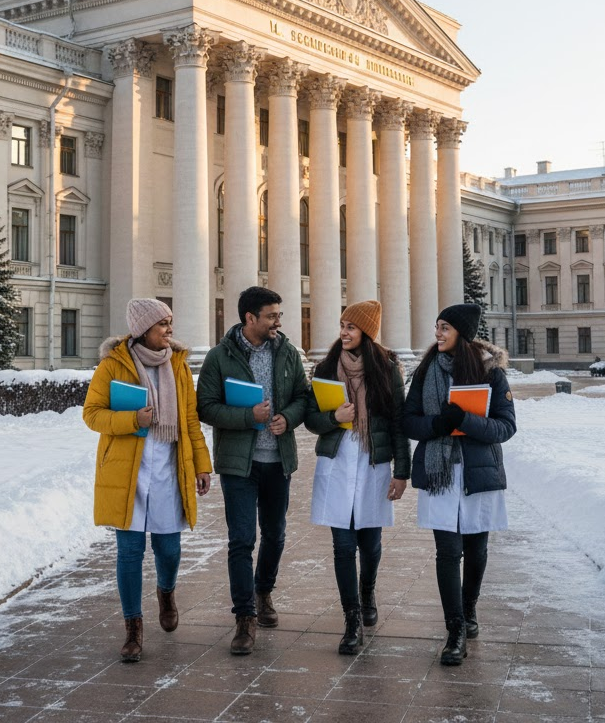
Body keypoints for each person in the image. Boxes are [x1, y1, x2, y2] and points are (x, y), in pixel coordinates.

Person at [82, 298, 212, 663]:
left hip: (170, 468)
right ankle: (133, 628)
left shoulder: (179, 367)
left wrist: (202, 465)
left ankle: (166, 591)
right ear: (142, 330)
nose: (170, 330)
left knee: (169, 549)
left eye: (170, 322)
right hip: (128, 472)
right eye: (162, 324)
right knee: (129, 552)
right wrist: (131, 420)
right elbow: (91, 415)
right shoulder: (112, 367)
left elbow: (189, 422)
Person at [197, 286, 310, 655]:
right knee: (242, 539)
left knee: (275, 534)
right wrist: (249, 417)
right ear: (250, 319)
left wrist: (287, 418)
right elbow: (207, 408)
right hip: (238, 465)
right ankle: (244, 618)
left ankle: (264, 592)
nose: (279, 321)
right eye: (272, 315)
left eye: (279, 314)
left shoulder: (288, 352)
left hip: (279, 461)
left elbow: (302, 398)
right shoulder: (219, 357)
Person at [402, 303, 516, 667]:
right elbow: (408, 421)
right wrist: (437, 426)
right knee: (448, 552)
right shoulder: (426, 370)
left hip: (478, 473)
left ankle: (469, 611)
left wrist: (466, 420)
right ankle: (454, 631)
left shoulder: (490, 373)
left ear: (462, 334)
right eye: (437, 326)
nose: (437, 333)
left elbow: (505, 427)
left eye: (445, 327)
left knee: (477, 549)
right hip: (440, 474)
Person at [304, 300, 410, 654]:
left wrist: (402, 472)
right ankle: (351, 618)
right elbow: (311, 419)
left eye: (351, 327)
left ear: (366, 331)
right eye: (342, 325)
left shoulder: (387, 368)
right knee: (343, 545)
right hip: (337, 462)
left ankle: (367, 593)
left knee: (370, 541)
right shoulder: (325, 367)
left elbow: (398, 422)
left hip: (373, 462)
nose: (344, 332)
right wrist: (334, 416)